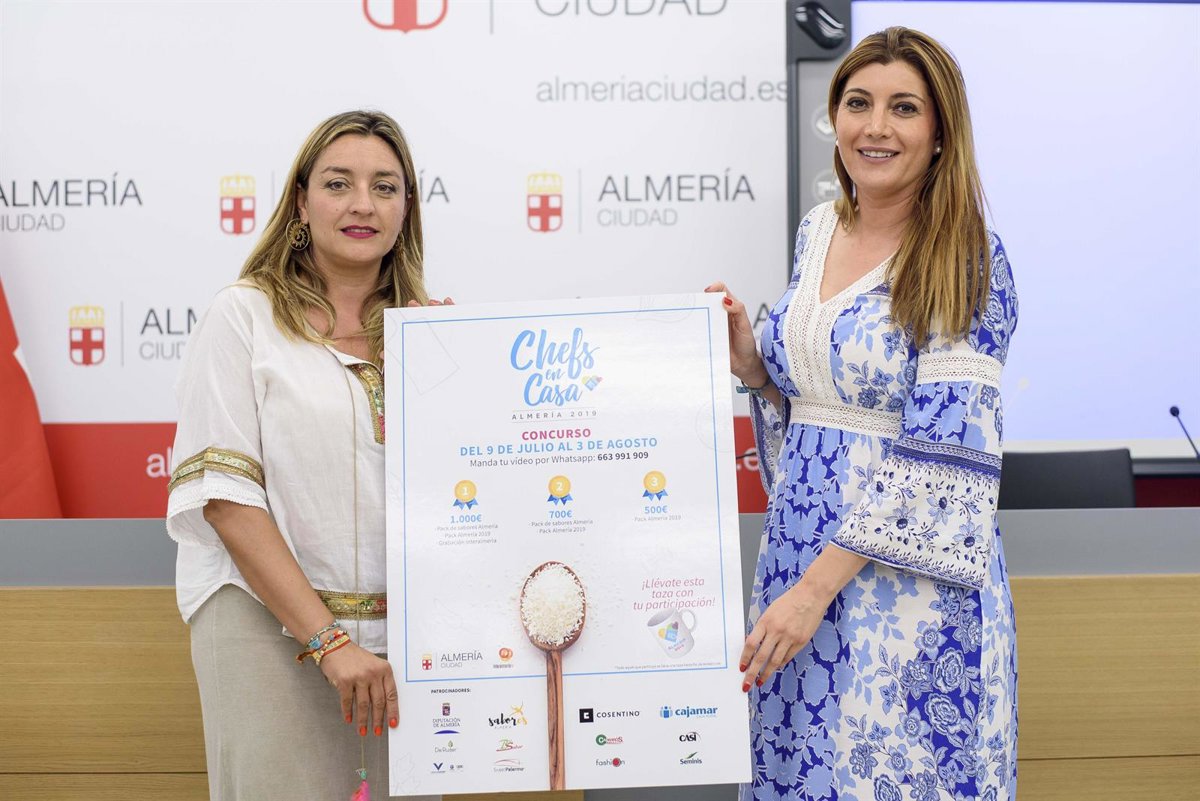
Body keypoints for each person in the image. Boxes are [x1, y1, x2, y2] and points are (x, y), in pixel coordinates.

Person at [711, 28, 1018, 801]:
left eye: (903, 108)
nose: (875, 127)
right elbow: (820, 406)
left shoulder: (968, 258)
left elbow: (944, 453)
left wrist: (813, 591)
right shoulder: (817, 230)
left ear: (941, 132)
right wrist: (754, 366)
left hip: (904, 603)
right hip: (797, 567)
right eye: (858, 103)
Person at [167, 110, 447, 800]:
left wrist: (453, 370)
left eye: (385, 186)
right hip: (267, 630)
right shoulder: (244, 315)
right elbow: (227, 501)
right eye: (338, 183)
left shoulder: (430, 332)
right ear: (300, 201)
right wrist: (329, 641)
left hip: (407, 644)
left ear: (407, 207)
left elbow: (467, 493)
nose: (362, 204)